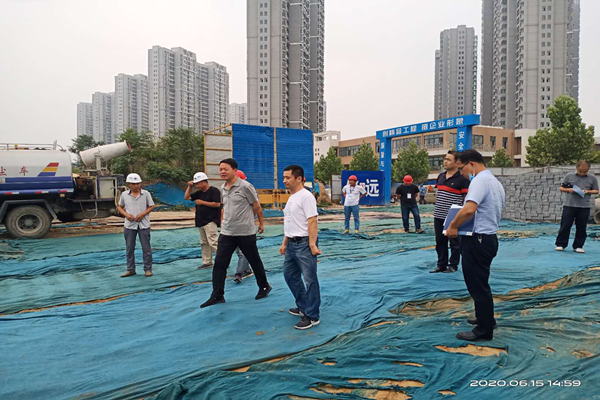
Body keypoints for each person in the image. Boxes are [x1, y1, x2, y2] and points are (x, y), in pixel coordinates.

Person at [446, 149, 505, 341]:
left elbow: (469, 210)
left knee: (477, 285)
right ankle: (485, 318)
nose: (461, 173)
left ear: (471, 164)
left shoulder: (479, 181)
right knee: (481, 281)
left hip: (478, 239)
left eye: (461, 168)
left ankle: (484, 330)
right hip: (489, 238)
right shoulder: (494, 182)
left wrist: (453, 226)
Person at [201, 158, 272, 308]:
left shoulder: (246, 187)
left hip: (245, 232)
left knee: (254, 261)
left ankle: (264, 286)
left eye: (225, 169)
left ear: (234, 170)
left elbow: (256, 206)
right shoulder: (223, 188)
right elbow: (225, 208)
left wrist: (260, 223)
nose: (222, 172)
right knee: (220, 264)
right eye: (220, 169)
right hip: (227, 233)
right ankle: (217, 295)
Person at [280, 165, 322, 330]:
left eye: (287, 177)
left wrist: (312, 244)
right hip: (292, 243)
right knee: (290, 276)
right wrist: (285, 243)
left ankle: (312, 316)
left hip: (304, 244)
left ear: (299, 179)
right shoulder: (292, 197)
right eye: (284, 177)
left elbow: (312, 221)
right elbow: (290, 222)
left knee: (310, 279)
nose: (284, 180)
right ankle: (303, 306)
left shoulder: (306, 196)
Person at [430, 151, 470, 273]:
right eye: (445, 159)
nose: (445, 162)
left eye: (448, 159)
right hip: (438, 215)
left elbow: (466, 199)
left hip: (453, 217)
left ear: (457, 163)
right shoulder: (441, 176)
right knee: (440, 242)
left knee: (455, 243)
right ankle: (441, 265)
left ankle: (453, 265)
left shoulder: (463, 180)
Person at [117, 173, 157, 278]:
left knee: (146, 248)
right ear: (129, 184)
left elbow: (152, 206)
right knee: (129, 248)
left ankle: (147, 269)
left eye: (138, 183)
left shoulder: (146, 194)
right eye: (134, 184)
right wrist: (126, 215)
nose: (136, 186)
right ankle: (130, 269)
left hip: (143, 225)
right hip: (129, 225)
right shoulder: (124, 195)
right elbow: (120, 207)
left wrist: (142, 214)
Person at [555, 161, 599, 253]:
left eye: (585, 171)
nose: (583, 173)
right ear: (577, 168)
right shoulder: (569, 176)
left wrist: (588, 191)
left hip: (584, 206)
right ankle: (561, 244)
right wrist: (569, 189)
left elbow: (596, 190)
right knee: (565, 225)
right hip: (570, 205)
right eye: (581, 171)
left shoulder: (592, 178)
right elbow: (561, 188)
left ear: (588, 169)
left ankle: (578, 246)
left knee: (581, 227)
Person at [184, 172, 221, 269]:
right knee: (204, 243)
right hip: (201, 221)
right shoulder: (199, 193)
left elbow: (217, 204)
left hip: (210, 220)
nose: (197, 185)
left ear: (204, 181)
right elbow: (187, 197)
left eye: (198, 183)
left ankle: (222, 260)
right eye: (195, 184)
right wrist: (189, 186)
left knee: (213, 242)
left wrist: (203, 202)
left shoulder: (214, 191)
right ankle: (207, 261)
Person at [233, 170, 254, 283]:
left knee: (242, 252)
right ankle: (245, 270)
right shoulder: (228, 190)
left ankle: (241, 272)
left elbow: (255, 207)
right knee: (241, 252)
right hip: (235, 227)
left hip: (241, 227)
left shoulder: (246, 190)